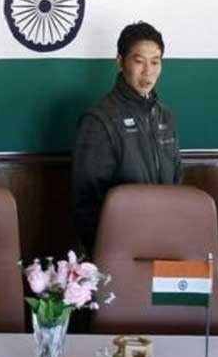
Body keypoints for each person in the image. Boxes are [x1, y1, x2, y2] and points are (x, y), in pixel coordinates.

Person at [72, 21, 182, 252]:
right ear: (120, 62)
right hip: (120, 248)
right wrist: (106, 254)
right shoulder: (99, 119)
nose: (148, 71)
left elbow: (176, 184)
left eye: (155, 62)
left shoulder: (165, 116)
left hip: (165, 241)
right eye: (139, 61)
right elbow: (86, 203)